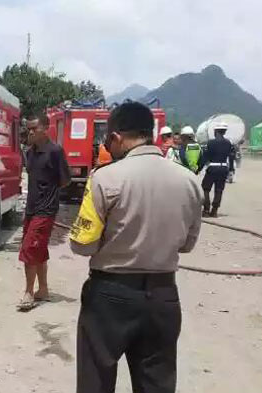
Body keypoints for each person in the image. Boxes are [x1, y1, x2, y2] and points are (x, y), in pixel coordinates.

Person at [69, 102, 203, 393]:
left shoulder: (104, 178)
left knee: (96, 380)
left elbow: (82, 244)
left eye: (108, 139)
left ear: (116, 137)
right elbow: (188, 245)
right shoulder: (190, 181)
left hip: (110, 296)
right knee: (156, 383)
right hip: (164, 297)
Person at [18, 112, 71, 311]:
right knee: (38, 249)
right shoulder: (30, 153)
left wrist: (49, 191)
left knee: (29, 249)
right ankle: (44, 290)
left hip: (45, 210)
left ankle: (28, 293)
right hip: (31, 209)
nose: (31, 132)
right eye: (29, 129)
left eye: (35, 128)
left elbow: (65, 180)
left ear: (45, 128)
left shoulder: (55, 151)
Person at [197, 123, 235, 217]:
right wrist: (231, 170)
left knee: (205, 188)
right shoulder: (228, 143)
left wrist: (198, 169)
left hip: (212, 168)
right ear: (224, 132)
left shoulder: (210, 143)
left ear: (216, 131)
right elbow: (231, 157)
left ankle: (206, 210)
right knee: (219, 190)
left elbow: (205, 158)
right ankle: (214, 211)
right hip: (223, 168)